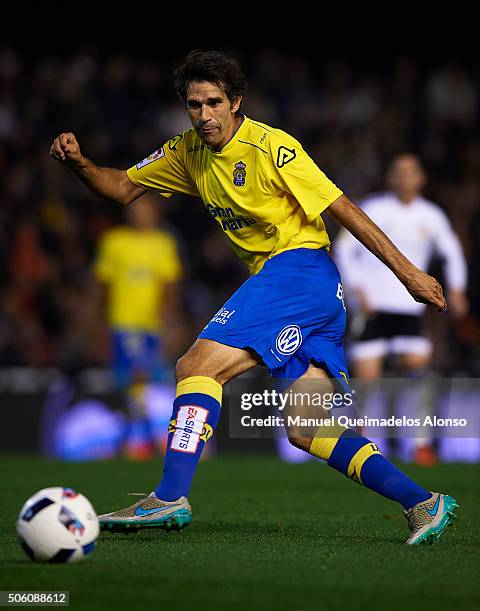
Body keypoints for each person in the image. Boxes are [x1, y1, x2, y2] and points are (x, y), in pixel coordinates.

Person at [50, 50, 457, 545]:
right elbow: (119, 188)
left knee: (196, 366)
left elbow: (342, 207)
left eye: (214, 103)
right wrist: (79, 163)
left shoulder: (273, 148)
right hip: (313, 295)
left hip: (298, 271)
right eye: (194, 105)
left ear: (236, 102)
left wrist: (408, 273)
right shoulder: (186, 151)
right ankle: (423, 502)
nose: (203, 115)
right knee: (306, 428)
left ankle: (169, 496)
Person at [334, 154, 468, 464]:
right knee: (367, 379)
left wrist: (457, 290)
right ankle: (360, 445)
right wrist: (356, 289)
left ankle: (420, 443)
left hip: (409, 307)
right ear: (390, 177)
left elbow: (452, 253)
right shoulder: (374, 209)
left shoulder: (431, 215)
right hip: (373, 306)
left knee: (418, 369)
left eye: (411, 172)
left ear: (421, 178)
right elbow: (343, 248)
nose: (405, 178)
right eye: (399, 172)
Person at [94, 193, 183, 459]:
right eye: (136, 209)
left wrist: (169, 319)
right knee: (129, 381)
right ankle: (138, 438)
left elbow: (170, 285)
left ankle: (143, 438)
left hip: (152, 326)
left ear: (155, 213)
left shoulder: (163, 242)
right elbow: (103, 286)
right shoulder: (113, 242)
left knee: (149, 380)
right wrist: (98, 324)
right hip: (122, 324)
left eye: (145, 209)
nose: (140, 214)